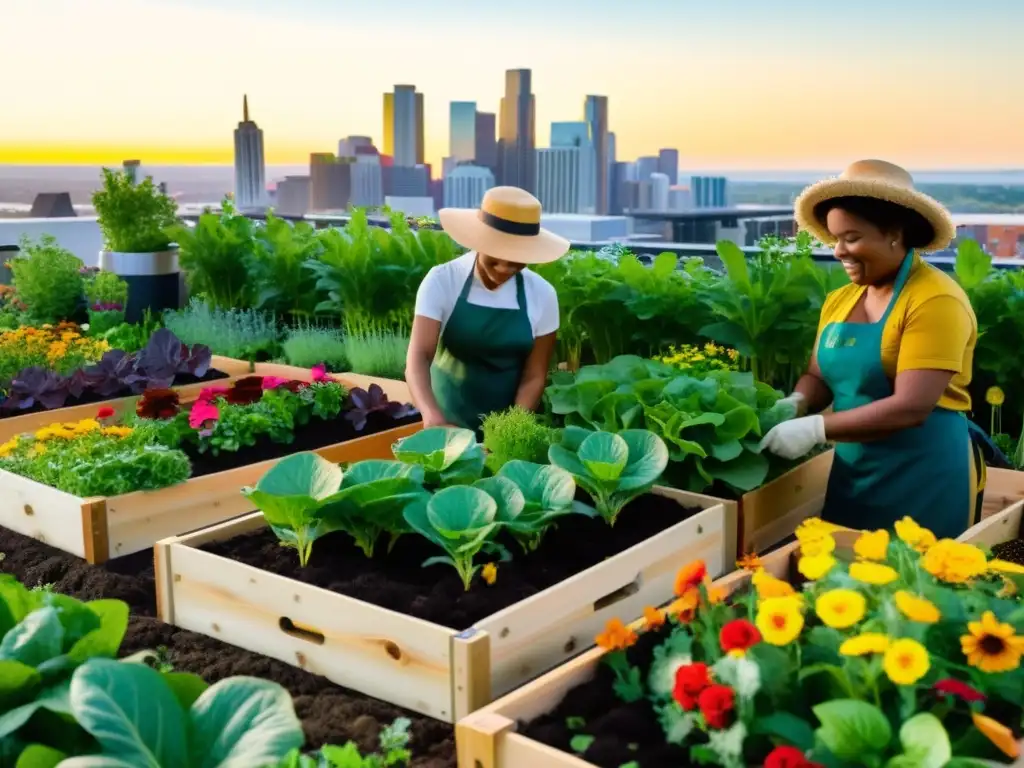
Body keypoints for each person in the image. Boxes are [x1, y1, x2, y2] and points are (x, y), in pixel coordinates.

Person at [760, 159, 988, 539]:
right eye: (835, 239)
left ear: (894, 233)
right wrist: (796, 402)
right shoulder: (841, 299)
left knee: (917, 584)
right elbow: (818, 374)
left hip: (922, 474)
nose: (838, 252)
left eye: (851, 238)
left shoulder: (935, 300)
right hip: (854, 471)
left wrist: (816, 428)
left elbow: (911, 407)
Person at [406, 186, 569, 435]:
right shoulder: (442, 280)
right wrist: (432, 417)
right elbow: (418, 357)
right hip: (446, 419)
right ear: (479, 240)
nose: (505, 267)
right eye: (497, 255)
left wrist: (512, 429)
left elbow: (534, 375)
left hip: (508, 423)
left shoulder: (543, 295)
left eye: (517, 258)